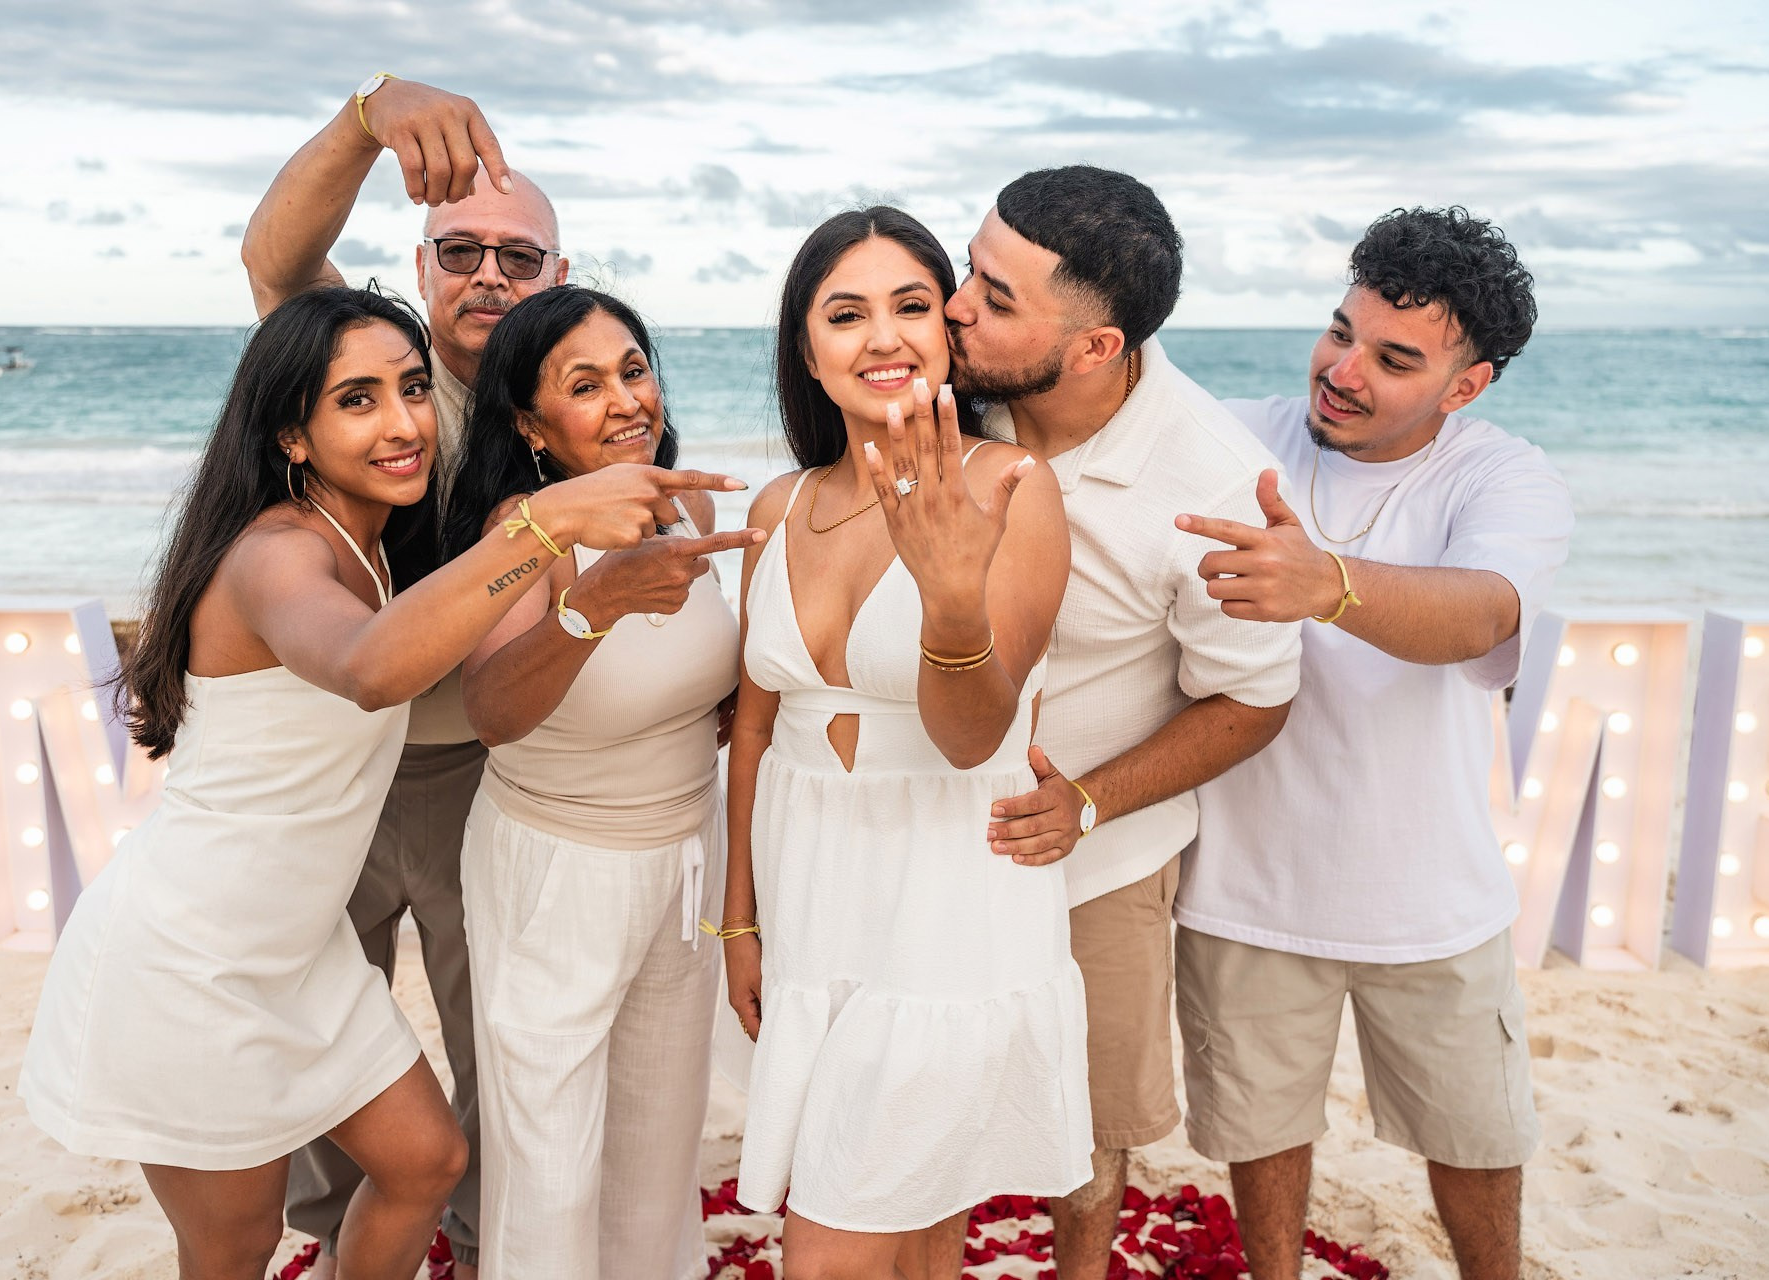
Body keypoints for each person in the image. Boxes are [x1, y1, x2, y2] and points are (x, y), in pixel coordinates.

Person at [17, 285, 748, 1280]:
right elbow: (372, 666)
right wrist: (544, 529)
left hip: (300, 949)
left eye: (412, 387)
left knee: (426, 1162)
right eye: (357, 399)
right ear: (292, 433)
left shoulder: (377, 543)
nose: (404, 421)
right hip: (194, 953)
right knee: (233, 1241)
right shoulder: (276, 554)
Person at [1175, 207, 1573, 1280]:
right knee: (1260, 1135)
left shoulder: (1503, 477)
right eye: (1338, 331)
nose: (1342, 370)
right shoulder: (1232, 436)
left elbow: (1484, 611)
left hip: (1431, 895)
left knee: (1479, 1140)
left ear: (1466, 384)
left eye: (1394, 358)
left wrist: (1328, 585)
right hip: (1242, 888)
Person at [943, 165, 1301, 1280]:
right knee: (923, 1101)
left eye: (996, 299)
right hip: (918, 824)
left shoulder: (1214, 484)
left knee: (1091, 1134)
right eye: (969, 266)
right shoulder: (943, 385)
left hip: (1102, 854)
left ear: (1096, 347)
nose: (954, 304)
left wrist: (1089, 802)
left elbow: (1254, 695)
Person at [723, 207, 1089, 1280]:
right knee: (920, 1223)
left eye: (911, 306)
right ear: (807, 347)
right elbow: (751, 725)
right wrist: (737, 918)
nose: (883, 336)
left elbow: (976, 736)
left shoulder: (1010, 488)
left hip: (945, 900)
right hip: (813, 890)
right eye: (847, 313)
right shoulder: (776, 505)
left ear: (948, 330)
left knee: (828, 1246)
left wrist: (951, 597)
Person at [241, 77, 558, 1276]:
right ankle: (332, 1240)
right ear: (419, 264)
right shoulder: (371, 367)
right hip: (332, 756)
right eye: (460, 249)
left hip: (483, 762)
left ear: (558, 268)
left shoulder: (561, 390)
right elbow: (276, 254)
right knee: (329, 1011)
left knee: (496, 1031)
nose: (488, 274)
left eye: (518, 255)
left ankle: (485, 1240)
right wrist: (365, 117)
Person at [440, 286, 751, 1280]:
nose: (627, 401)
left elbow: (704, 678)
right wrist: (590, 608)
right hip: (557, 871)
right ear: (531, 424)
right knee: (551, 1160)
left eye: (634, 367)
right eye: (586, 384)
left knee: (659, 1145)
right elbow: (489, 708)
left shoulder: (686, 499)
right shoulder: (517, 530)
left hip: (686, 859)